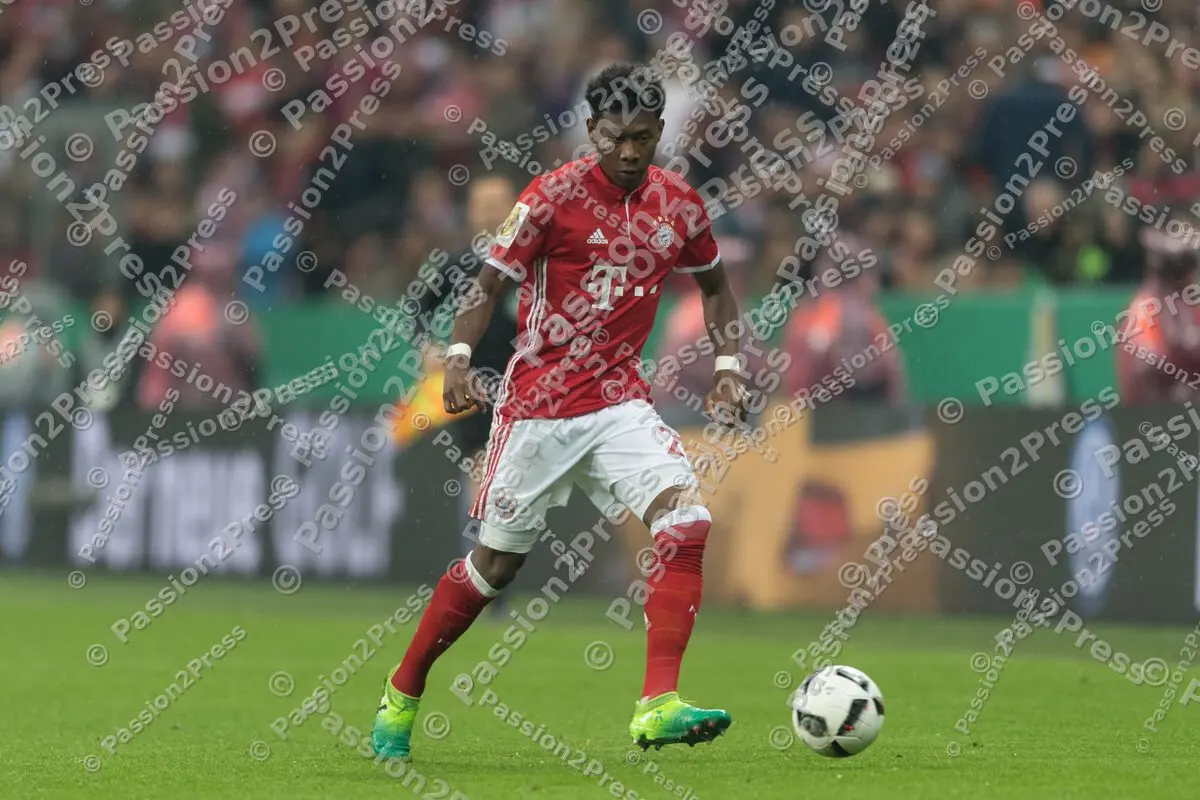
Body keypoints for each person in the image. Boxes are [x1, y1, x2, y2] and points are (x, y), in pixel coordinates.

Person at [372, 63, 749, 761]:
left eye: (643, 138)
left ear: (660, 132)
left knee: (687, 520)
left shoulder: (679, 204)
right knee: (493, 568)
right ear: (592, 130)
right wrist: (458, 358)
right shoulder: (550, 197)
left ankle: (657, 704)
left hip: (619, 402)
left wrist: (728, 368)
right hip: (538, 408)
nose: (629, 152)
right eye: (615, 137)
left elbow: (717, 288)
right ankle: (404, 686)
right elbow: (487, 286)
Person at [404, 174, 522, 620]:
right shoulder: (458, 264)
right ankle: (481, 583)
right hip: (473, 389)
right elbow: (417, 308)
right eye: (483, 204)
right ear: (471, 213)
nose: (491, 212)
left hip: (527, 388)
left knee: (512, 485)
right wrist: (426, 347)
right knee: (481, 477)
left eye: (499, 203)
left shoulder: (534, 261)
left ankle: (490, 577)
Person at [1116, 224, 1200, 404]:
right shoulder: (1145, 307)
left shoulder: (1189, 303)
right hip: (1152, 409)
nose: (1191, 278)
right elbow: (1149, 366)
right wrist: (1185, 351)